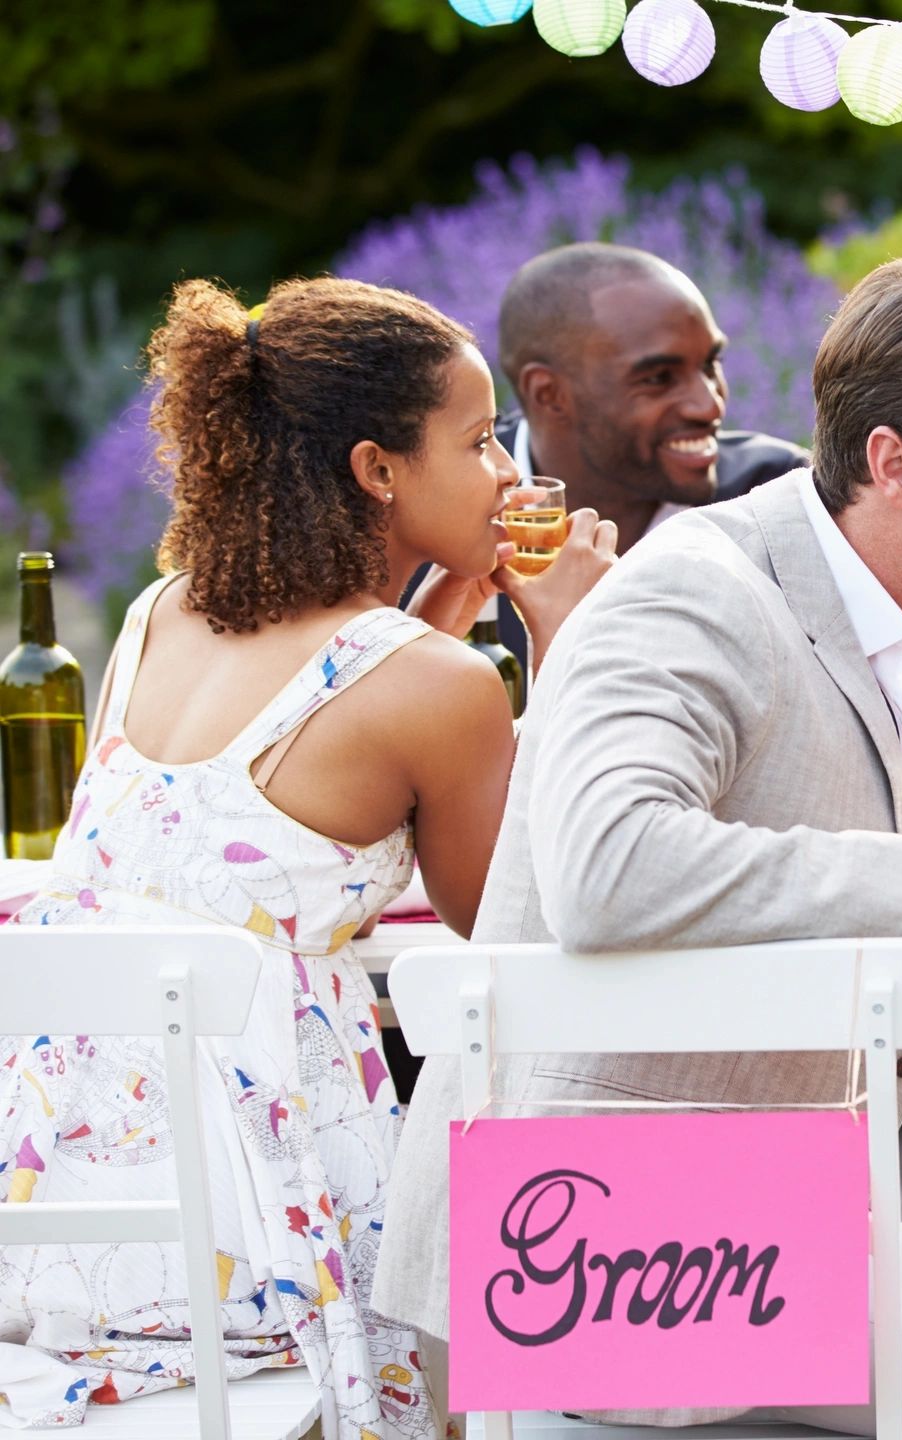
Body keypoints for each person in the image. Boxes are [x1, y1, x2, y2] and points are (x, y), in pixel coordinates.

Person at [373, 255, 902, 1438]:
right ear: (893, 465)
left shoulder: (896, 612)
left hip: (827, 1155)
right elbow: (605, 868)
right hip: (617, 1231)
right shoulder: (699, 593)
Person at [0, 277, 611, 1436]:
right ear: (379, 469)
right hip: (272, 1225)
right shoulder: (440, 691)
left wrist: (429, 629)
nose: (508, 477)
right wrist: (574, 649)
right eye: (481, 441)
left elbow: (314, 738)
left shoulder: (160, 611)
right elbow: (517, 935)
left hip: (75, 1203)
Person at [480, 242, 808, 667]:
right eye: (658, 378)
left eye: (711, 364)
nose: (709, 406)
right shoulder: (452, 513)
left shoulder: (778, 498)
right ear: (549, 394)